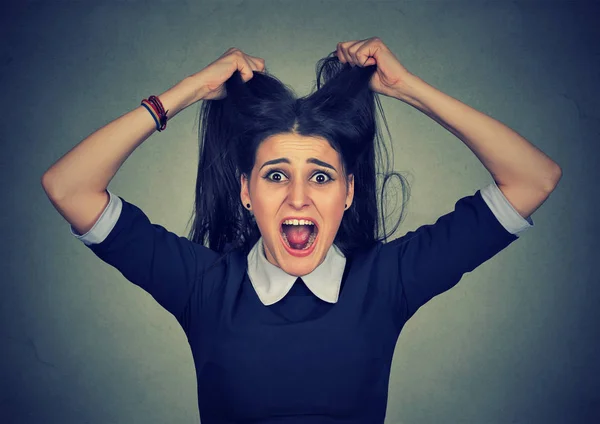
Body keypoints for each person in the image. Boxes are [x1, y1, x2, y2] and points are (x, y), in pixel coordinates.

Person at [41, 38, 561, 423]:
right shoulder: (203, 285)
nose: (298, 198)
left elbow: (534, 177)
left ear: (348, 191)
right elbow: (70, 187)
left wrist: (408, 90)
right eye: (275, 176)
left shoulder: (388, 280)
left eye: (320, 176)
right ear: (246, 191)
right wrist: (189, 92)